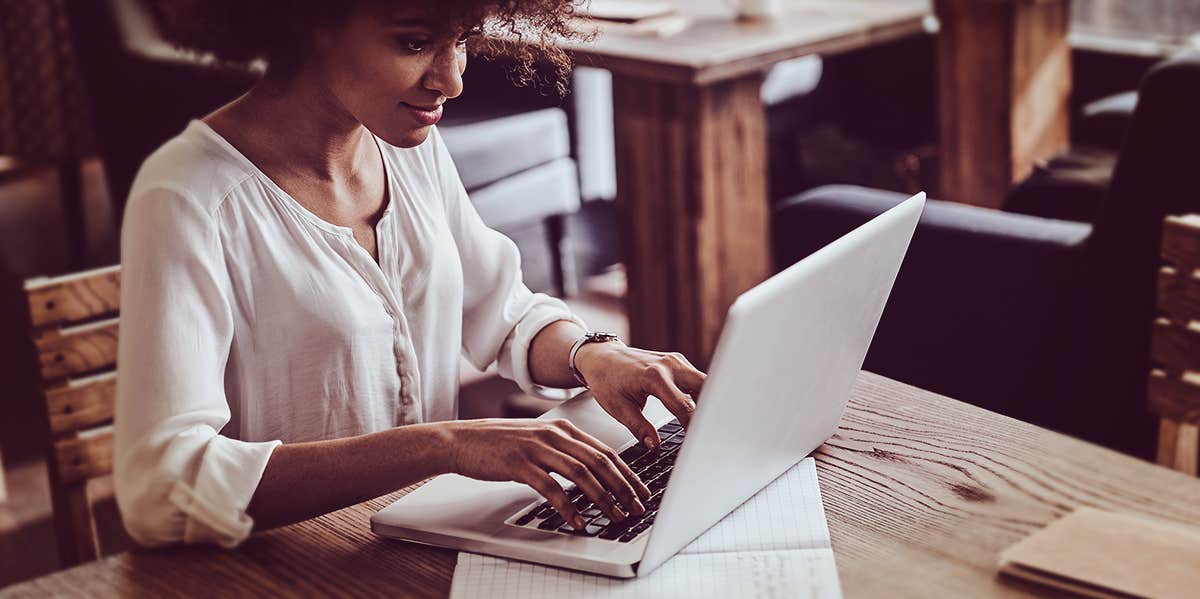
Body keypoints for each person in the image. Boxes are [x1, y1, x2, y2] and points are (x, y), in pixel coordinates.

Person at [114, 0, 706, 548]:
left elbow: (501, 313)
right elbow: (161, 487)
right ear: (307, 20)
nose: (452, 80)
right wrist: (445, 445)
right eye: (415, 43)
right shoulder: (187, 196)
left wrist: (591, 353)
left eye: (463, 40)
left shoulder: (407, 143)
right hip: (291, 566)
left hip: (418, 540)